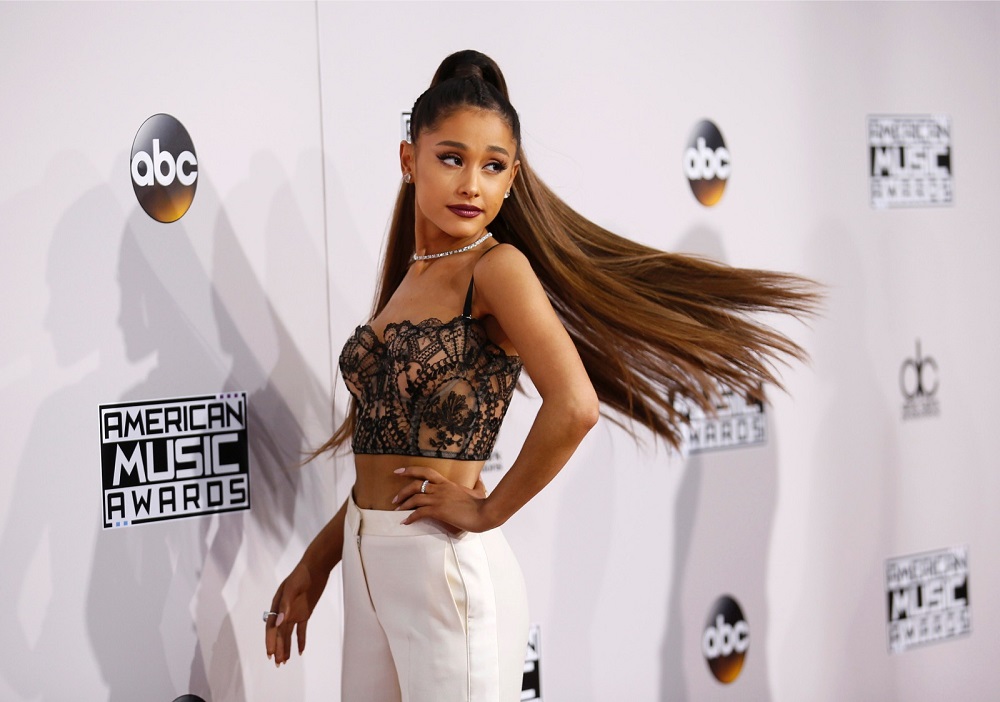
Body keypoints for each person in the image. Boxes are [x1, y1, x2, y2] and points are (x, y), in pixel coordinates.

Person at [265, 49, 817, 701]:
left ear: (511, 179)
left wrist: (488, 509)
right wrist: (317, 561)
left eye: (492, 166)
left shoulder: (497, 271)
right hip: (366, 565)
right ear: (409, 159)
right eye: (452, 158)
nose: (472, 183)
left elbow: (575, 404)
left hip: (442, 574)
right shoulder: (409, 277)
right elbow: (383, 458)